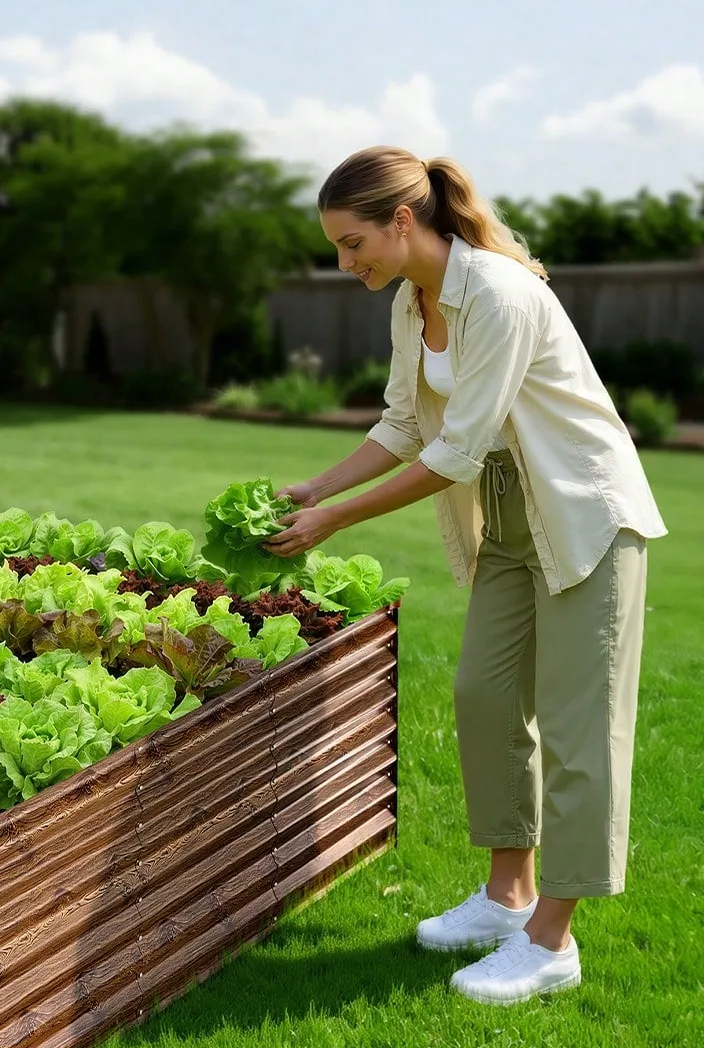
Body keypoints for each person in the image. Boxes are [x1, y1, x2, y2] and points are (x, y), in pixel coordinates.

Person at [266, 146, 665, 1004]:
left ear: (403, 220)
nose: (346, 264)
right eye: (337, 247)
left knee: (578, 725)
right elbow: (405, 422)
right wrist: (319, 486)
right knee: (484, 697)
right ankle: (505, 896)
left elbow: (456, 449)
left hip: (584, 516)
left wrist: (335, 521)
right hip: (509, 523)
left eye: (352, 242)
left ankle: (552, 939)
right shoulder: (413, 305)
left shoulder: (499, 294)